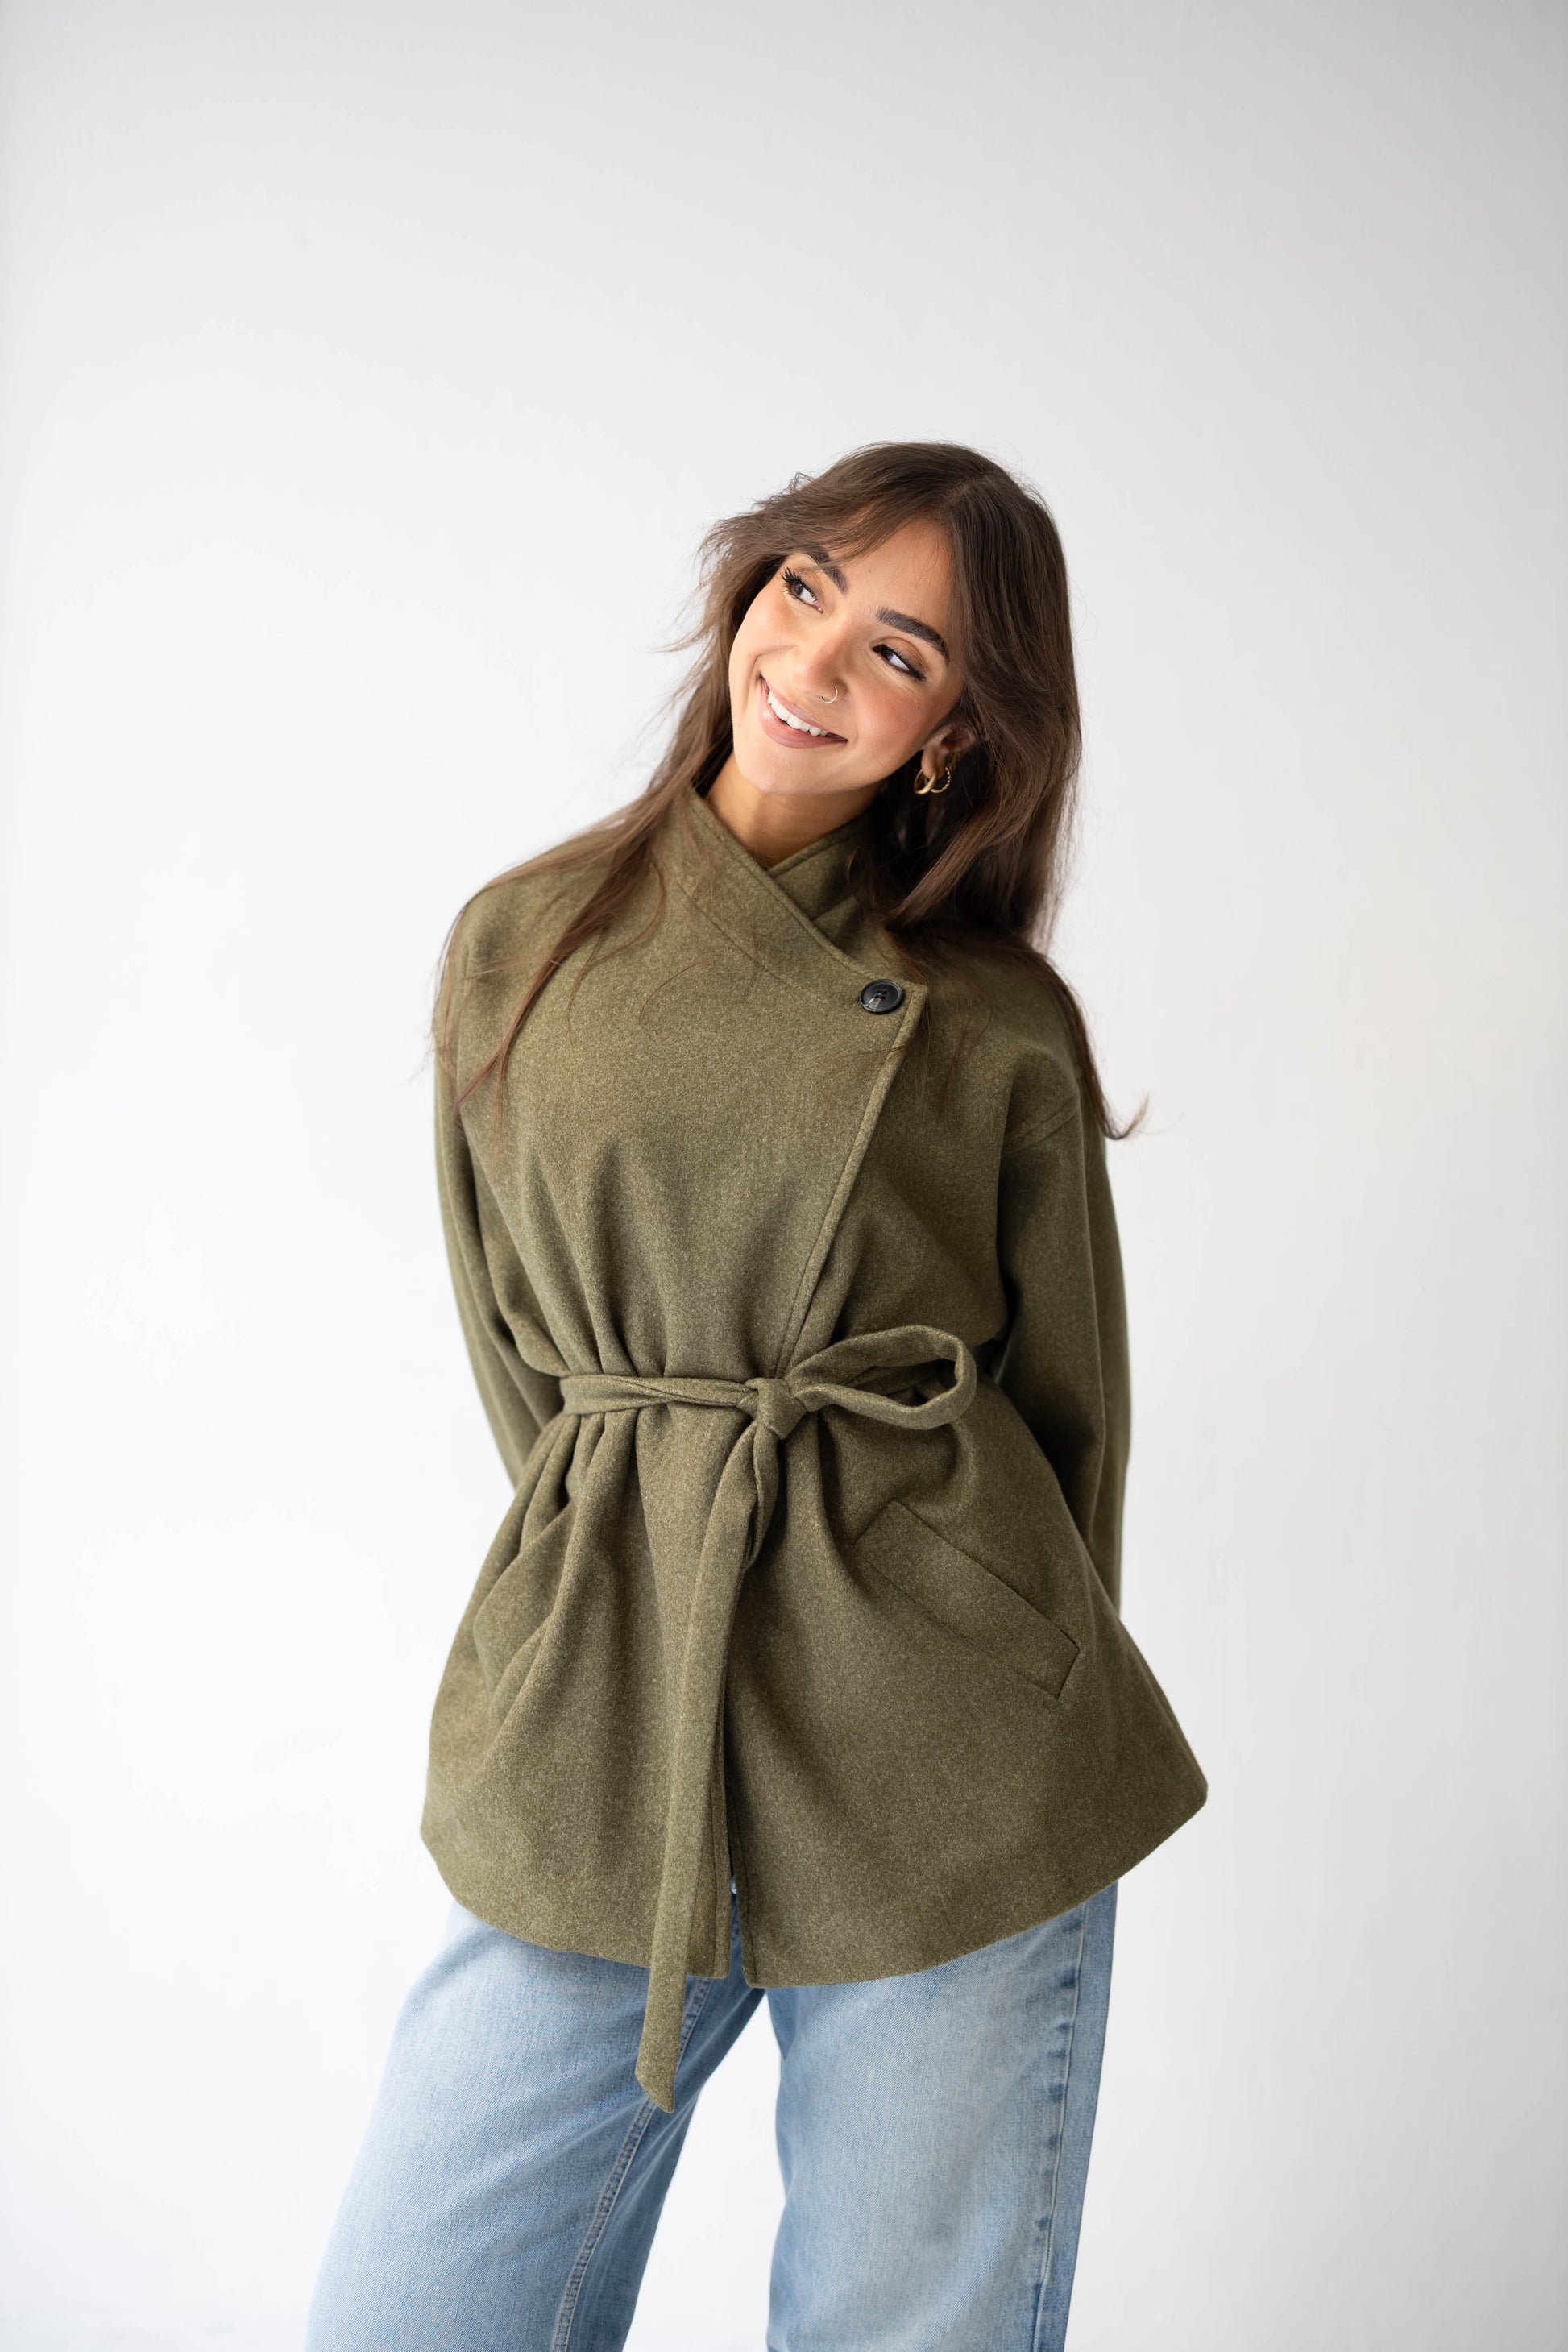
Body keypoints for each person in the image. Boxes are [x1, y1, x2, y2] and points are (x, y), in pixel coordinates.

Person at [305, 441, 1206, 2351]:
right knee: (416, 2305)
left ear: (957, 732)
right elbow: (528, 1367)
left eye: (900, 651)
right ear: (749, 588)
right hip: (611, 1691)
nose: (815, 661)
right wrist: (637, 1546)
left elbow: (1075, 1420)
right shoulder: (521, 939)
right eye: (807, 587)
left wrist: (995, 1656)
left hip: (943, 1739)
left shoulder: (991, 1022)